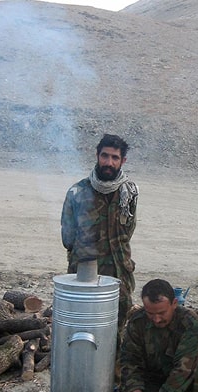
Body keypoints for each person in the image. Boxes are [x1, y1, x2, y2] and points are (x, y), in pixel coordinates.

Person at [61, 133, 138, 376]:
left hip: (119, 275)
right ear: (97, 156)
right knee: (83, 329)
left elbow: (128, 231)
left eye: (115, 158)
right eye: (105, 156)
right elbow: (67, 237)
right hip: (85, 277)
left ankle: (111, 378)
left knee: (116, 328)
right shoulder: (77, 192)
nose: (109, 162)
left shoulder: (129, 193)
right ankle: (83, 375)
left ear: (122, 161)